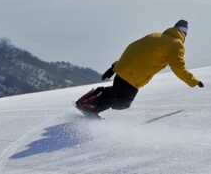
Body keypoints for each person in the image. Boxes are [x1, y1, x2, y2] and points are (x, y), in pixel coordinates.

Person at [75, 19, 203, 116]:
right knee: (123, 102)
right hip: (133, 76)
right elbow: (178, 67)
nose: (185, 34)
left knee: (117, 94)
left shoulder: (156, 35)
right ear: (182, 32)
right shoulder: (177, 44)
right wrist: (193, 81)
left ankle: (91, 103)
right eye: (184, 31)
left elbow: (135, 49)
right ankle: (90, 106)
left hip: (123, 70)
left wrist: (115, 66)